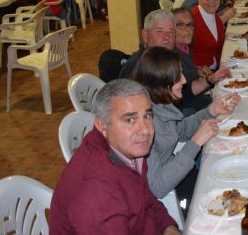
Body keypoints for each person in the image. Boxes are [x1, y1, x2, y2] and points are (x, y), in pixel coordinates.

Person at [49, 79, 180, 235]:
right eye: (130, 120)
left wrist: (168, 227)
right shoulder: (96, 192)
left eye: (147, 116)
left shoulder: (129, 149)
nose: (145, 130)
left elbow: (146, 199)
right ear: (102, 125)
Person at [130, 46, 240, 198]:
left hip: (175, 170)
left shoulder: (159, 103)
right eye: (178, 76)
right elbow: (157, 187)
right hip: (166, 194)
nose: (184, 80)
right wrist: (195, 143)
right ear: (161, 81)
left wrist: (211, 111)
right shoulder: (142, 127)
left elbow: (178, 132)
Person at [118, 9, 231, 116]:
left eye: (171, 31)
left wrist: (211, 79)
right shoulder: (139, 66)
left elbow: (184, 92)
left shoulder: (168, 53)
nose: (167, 37)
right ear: (145, 35)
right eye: (160, 31)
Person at [191, 0, 227, 69]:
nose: (212, 1)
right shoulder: (191, 20)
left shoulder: (216, 19)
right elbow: (183, 55)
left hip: (216, 68)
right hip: (199, 75)